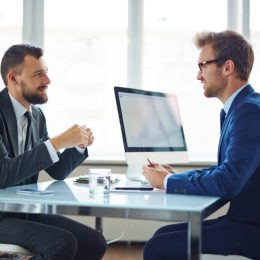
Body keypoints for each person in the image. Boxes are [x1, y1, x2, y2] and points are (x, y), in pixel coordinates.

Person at [142, 30, 260, 260]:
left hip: (251, 230)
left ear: (227, 67)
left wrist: (167, 182)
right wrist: (177, 177)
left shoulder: (249, 112)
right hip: (244, 222)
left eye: (202, 65)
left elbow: (228, 181)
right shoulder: (240, 108)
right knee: (161, 236)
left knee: (157, 247)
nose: (198, 76)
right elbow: (228, 170)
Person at [0, 44, 107, 260]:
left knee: (95, 242)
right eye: (38, 74)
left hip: (23, 211)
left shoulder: (37, 116)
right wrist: (57, 142)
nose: (47, 80)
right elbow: (3, 175)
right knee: (62, 244)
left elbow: (57, 171)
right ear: (13, 78)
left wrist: (79, 145)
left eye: (46, 72)